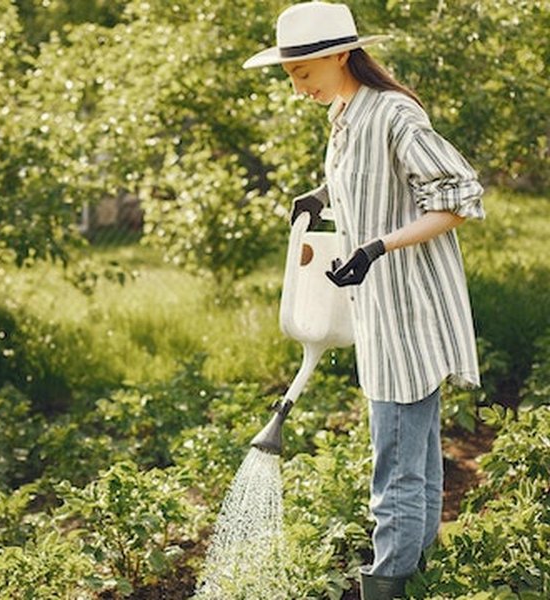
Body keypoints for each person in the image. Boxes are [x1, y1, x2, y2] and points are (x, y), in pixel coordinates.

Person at [243, 2, 485, 599]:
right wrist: (322, 194)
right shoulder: (348, 114)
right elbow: (376, 180)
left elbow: (459, 197)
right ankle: (414, 575)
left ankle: (385, 584)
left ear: (339, 55)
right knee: (417, 457)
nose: (297, 87)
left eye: (303, 73)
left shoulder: (394, 113)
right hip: (379, 309)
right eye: (291, 75)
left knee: (396, 461)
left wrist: (378, 246)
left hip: (408, 309)